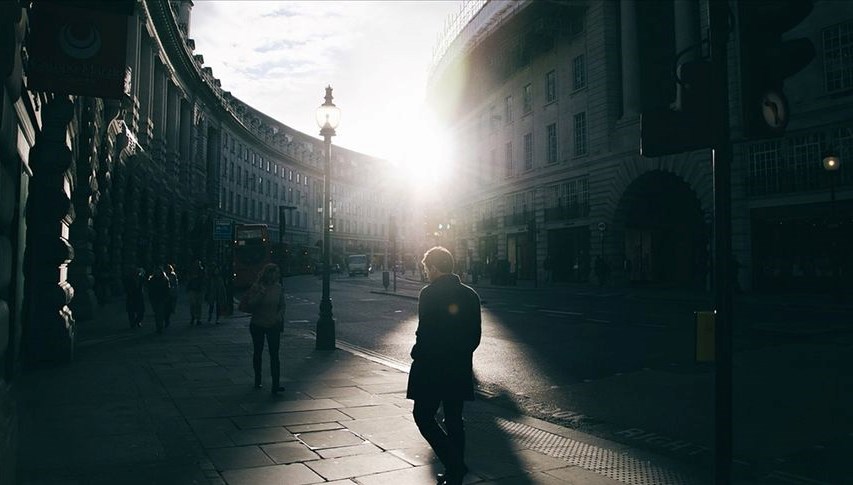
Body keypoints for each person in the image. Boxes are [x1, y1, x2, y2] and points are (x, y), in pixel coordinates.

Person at [407, 247, 481, 485]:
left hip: (431, 368)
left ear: (435, 268)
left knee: (423, 417)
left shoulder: (429, 293)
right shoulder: (470, 294)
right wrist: (459, 354)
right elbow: (475, 337)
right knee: (454, 419)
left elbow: (425, 331)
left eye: (427, 269)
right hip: (458, 367)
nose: (426, 273)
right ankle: (455, 471)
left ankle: (455, 465)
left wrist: (417, 353)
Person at [244, 263, 286, 394]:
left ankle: (276, 384)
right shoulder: (257, 287)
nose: (278, 275)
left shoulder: (279, 287)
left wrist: (279, 316)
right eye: (275, 272)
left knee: (274, 354)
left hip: (273, 324)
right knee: (258, 352)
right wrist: (261, 293)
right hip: (258, 324)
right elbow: (250, 305)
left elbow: (282, 305)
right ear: (269, 274)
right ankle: (258, 379)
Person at [146, 264, 171, 334]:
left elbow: (167, 289)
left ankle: (160, 327)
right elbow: (150, 289)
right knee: (156, 313)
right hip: (154, 299)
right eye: (156, 271)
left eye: (159, 271)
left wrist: (167, 297)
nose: (157, 273)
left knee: (160, 312)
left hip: (162, 298)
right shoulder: (152, 279)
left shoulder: (165, 279)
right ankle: (158, 326)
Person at [186, 259, 205, 325]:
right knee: (194, 304)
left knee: (198, 305)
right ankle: (194, 317)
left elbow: (203, 279)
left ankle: (197, 318)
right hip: (193, 289)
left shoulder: (201, 270)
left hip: (198, 289)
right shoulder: (191, 270)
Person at [165, 263, 179, 328]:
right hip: (165, 293)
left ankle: (168, 315)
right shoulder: (164, 276)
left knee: (170, 305)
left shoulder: (173, 275)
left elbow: (175, 284)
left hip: (171, 292)